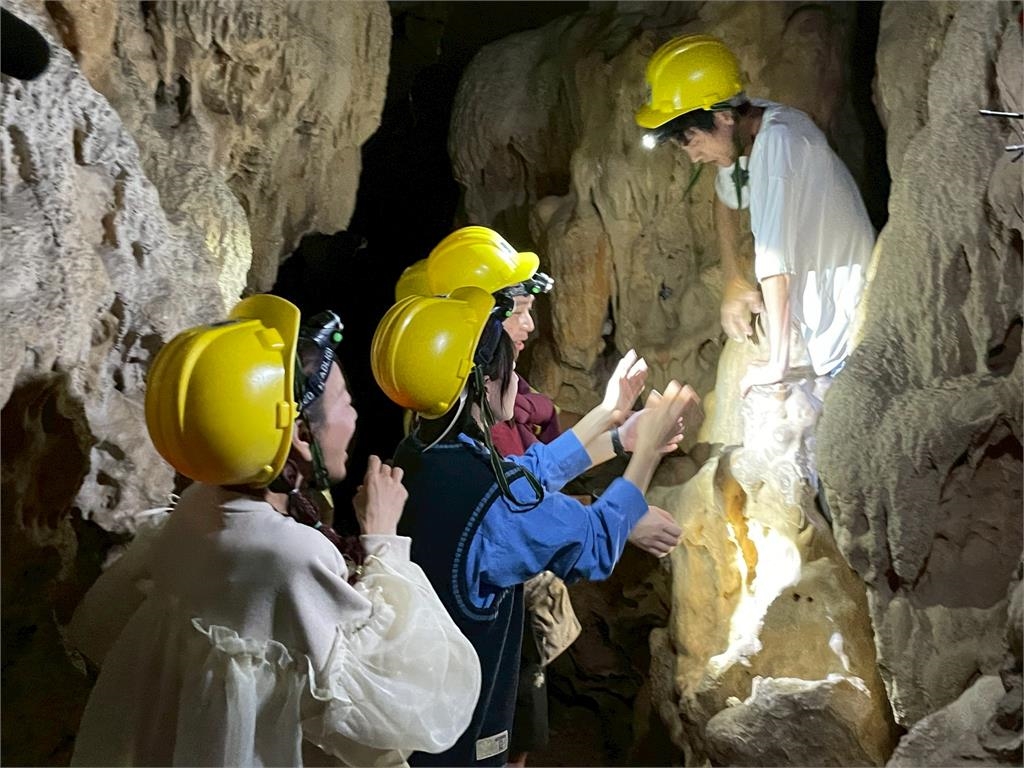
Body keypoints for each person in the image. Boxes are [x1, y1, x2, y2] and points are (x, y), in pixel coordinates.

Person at [68, 294, 481, 767]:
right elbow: (403, 706)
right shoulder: (292, 557)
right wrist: (384, 540)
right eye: (345, 401)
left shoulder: (196, 507)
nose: (354, 416)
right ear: (301, 436)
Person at [371, 285, 701, 766]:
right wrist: (646, 454)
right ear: (483, 383)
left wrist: (614, 428)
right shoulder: (491, 502)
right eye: (508, 366)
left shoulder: (422, 452)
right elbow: (595, 543)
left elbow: (526, 475)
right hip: (461, 739)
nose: (516, 375)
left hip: (418, 715)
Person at [635, 34, 875, 396]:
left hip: (847, 335)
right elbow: (727, 199)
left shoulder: (779, 145)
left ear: (722, 117)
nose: (693, 156)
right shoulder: (754, 122)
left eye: (692, 140)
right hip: (826, 322)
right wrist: (733, 279)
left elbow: (776, 266)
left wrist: (777, 364)